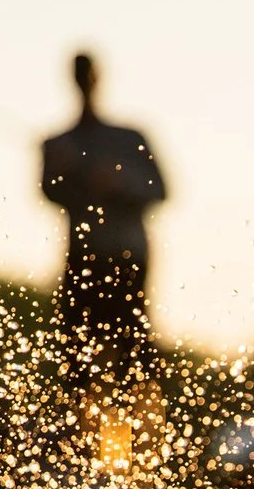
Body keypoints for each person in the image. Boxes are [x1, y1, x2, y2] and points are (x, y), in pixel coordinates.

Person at [41, 52, 167, 383]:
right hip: (83, 257)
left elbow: (160, 190)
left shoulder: (130, 139)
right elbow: (49, 192)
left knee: (134, 350)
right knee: (75, 354)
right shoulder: (57, 144)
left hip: (127, 259)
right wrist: (63, 169)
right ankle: (79, 426)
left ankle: (140, 424)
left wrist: (118, 180)